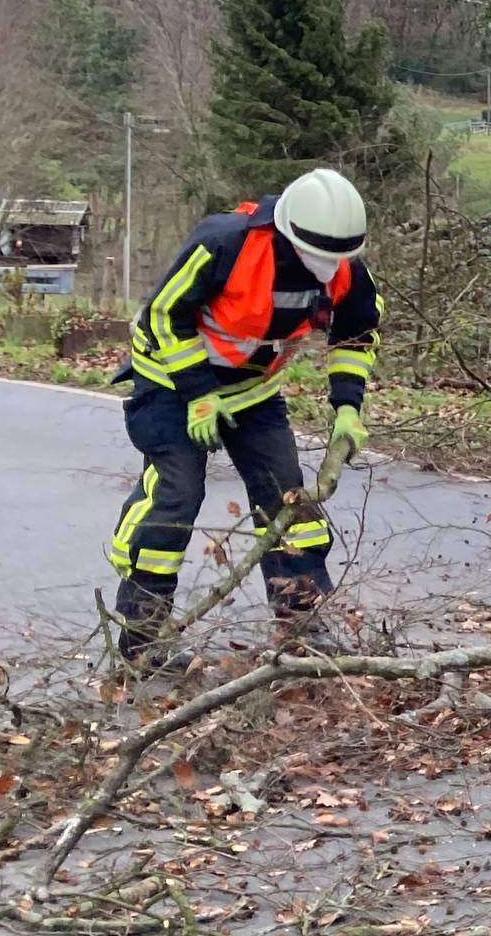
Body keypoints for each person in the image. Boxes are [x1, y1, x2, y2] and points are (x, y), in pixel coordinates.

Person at [106, 168, 378, 671]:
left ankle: (302, 623)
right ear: (286, 231)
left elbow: (356, 335)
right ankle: (141, 636)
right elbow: (163, 317)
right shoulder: (224, 245)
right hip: (170, 383)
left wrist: (347, 409)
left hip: (253, 391)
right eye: (316, 257)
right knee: (177, 495)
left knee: (288, 501)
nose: (325, 269)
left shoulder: (345, 266)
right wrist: (199, 395)